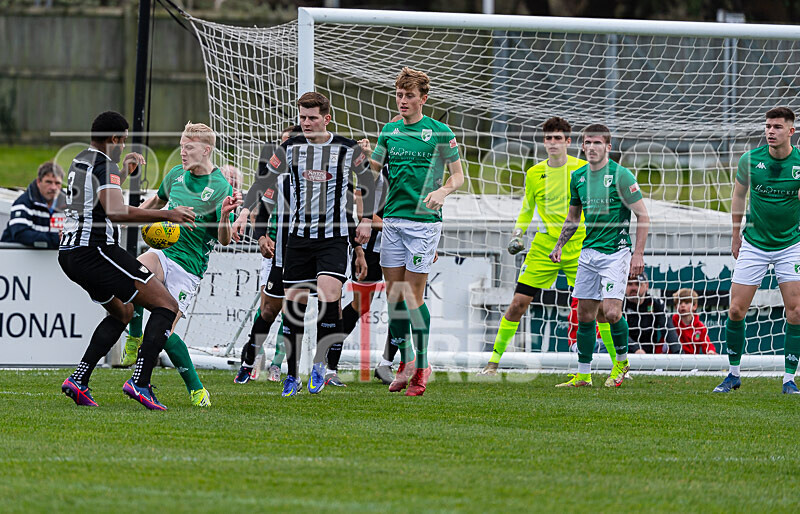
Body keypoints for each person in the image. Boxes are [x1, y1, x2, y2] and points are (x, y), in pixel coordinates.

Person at [58, 110, 195, 410]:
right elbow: (116, 211)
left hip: (69, 253)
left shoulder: (81, 158)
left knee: (123, 312)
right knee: (166, 305)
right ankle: (140, 381)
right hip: (95, 251)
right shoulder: (105, 165)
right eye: (123, 140)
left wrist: (123, 171)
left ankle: (79, 380)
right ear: (115, 139)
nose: (124, 145)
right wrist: (167, 214)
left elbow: (96, 199)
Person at [258, 92, 376, 397]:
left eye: (312, 118)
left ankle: (320, 363)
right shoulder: (289, 148)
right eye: (302, 117)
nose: (306, 123)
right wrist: (252, 219)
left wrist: (365, 221)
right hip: (298, 239)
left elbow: (371, 185)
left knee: (330, 294)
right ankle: (292, 375)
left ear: (327, 118)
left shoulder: (348, 149)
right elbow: (264, 182)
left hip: (334, 238)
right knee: (293, 307)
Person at [478, 116, 616, 376]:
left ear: (568, 141)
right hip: (544, 247)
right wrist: (517, 234)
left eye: (558, 138)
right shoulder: (534, 173)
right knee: (518, 303)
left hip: (580, 248)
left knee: (598, 310)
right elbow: (527, 209)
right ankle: (493, 363)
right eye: (548, 138)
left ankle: (618, 366)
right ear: (544, 142)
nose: (553, 143)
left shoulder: (583, 169)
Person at [122, 122, 240, 407]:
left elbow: (224, 240)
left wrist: (224, 216)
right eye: (181, 146)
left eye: (188, 147)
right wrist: (130, 215)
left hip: (188, 267)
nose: (182, 152)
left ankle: (197, 389)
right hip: (164, 253)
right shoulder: (176, 174)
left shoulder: (220, 187)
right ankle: (134, 337)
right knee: (131, 274)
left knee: (165, 334)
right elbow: (158, 200)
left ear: (206, 150)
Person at [366, 67, 465, 396]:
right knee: (393, 298)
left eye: (409, 95)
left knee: (412, 297)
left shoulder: (439, 132)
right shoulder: (389, 131)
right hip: (393, 220)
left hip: (424, 224)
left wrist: (443, 192)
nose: (403, 101)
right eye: (399, 95)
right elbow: (372, 174)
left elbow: (458, 177)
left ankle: (421, 368)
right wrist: (363, 159)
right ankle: (407, 361)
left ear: (424, 98)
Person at [550, 123, 650, 388]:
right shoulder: (579, 176)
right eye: (587, 143)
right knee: (584, 315)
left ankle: (621, 362)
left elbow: (643, 215)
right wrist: (559, 245)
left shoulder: (621, 175)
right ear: (582, 146)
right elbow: (573, 217)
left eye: (597, 143)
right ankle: (584, 374)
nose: (591, 148)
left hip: (615, 253)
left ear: (608, 147)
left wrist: (637, 254)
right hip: (588, 252)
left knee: (612, 312)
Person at [715, 106, 800, 394]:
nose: (770, 131)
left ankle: (789, 379)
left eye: (777, 127)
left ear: (791, 131)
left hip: (791, 244)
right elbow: (739, 195)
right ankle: (733, 374)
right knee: (736, 309)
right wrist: (735, 234)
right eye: (767, 126)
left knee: (796, 311)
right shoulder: (751, 160)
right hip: (754, 243)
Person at [324, 115, 399, 387]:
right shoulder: (376, 168)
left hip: (402, 246)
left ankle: (387, 364)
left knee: (403, 303)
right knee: (359, 305)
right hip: (373, 248)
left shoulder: (418, 166)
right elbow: (360, 206)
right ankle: (329, 364)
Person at [234, 125, 299, 385]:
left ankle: (280, 365)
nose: (282, 149)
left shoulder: (317, 176)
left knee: (294, 310)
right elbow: (260, 212)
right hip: (274, 252)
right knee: (269, 309)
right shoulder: (275, 179)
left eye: (287, 143)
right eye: (281, 143)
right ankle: (251, 360)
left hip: (307, 252)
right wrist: (262, 236)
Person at [1, 162, 66, 248]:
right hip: (14, 257)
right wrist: (56, 238)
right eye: (48, 182)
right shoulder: (23, 203)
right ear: (38, 182)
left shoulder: (70, 205)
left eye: (57, 183)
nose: (53, 187)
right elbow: (20, 234)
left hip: (51, 259)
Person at [624, 273, 681, 355]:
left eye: (638, 284)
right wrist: (636, 349)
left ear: (646, 285)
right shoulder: (619, 304)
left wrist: (679, 354)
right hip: (622, 352)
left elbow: (668, 330)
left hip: (649, 355)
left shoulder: (656, 303)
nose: (633, 288)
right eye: (629, 284)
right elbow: (617, 331)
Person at [672, 288, 716, 355]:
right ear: (676, 307)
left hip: (691, 361)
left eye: (686, 303)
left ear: (694, 306)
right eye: (680, 303)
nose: (683, 305)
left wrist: (710, 351)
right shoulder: (671, 323)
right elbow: (662, 342)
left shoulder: (700, 327)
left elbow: (707, 344)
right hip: (674, 359)